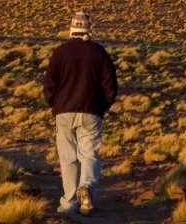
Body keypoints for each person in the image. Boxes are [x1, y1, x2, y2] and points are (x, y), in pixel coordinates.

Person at [43, 11, 118, 216]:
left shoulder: (60, 52)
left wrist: (54, 105)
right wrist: (101, 107)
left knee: (68, 158)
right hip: (91, 111)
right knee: (89, 155)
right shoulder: (99, 52)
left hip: (64, 111)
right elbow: (110, 87)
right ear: (88, 28)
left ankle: (69, 202)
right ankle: (86, 191)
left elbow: (49, 85)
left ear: (72, 28)